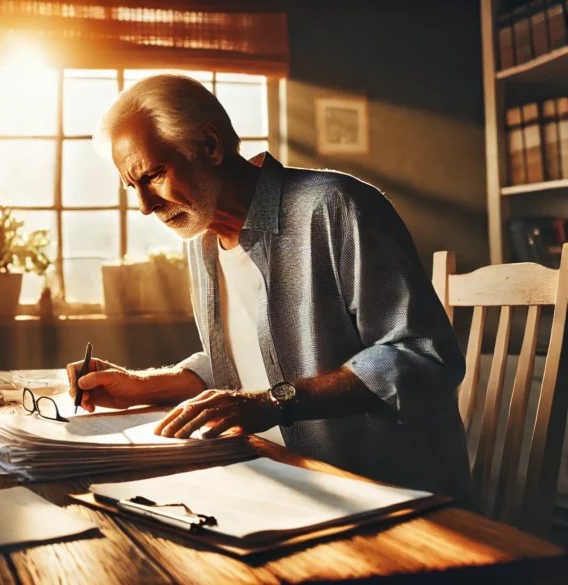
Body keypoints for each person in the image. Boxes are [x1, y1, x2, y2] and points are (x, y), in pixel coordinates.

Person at [68, 74, 471, 502]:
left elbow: (423, 355)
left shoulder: (336, 207)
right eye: (133, 187)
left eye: (153, 175)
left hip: (385, 497)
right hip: (278, 483)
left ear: (210, 145)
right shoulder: (202, 237)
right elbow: (247, 361)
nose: (146, 206)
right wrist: (142, 384)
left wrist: (274, 401)